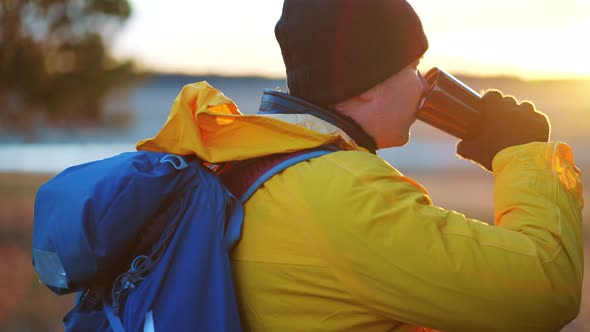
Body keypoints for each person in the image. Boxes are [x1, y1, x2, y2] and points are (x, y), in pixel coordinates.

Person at [137, 0, 584, 330]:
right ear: (366, 85)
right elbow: (543, 290)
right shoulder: (347, 194)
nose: (422, 88)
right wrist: (522, 152)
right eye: (414, 67)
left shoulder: (244, 158)